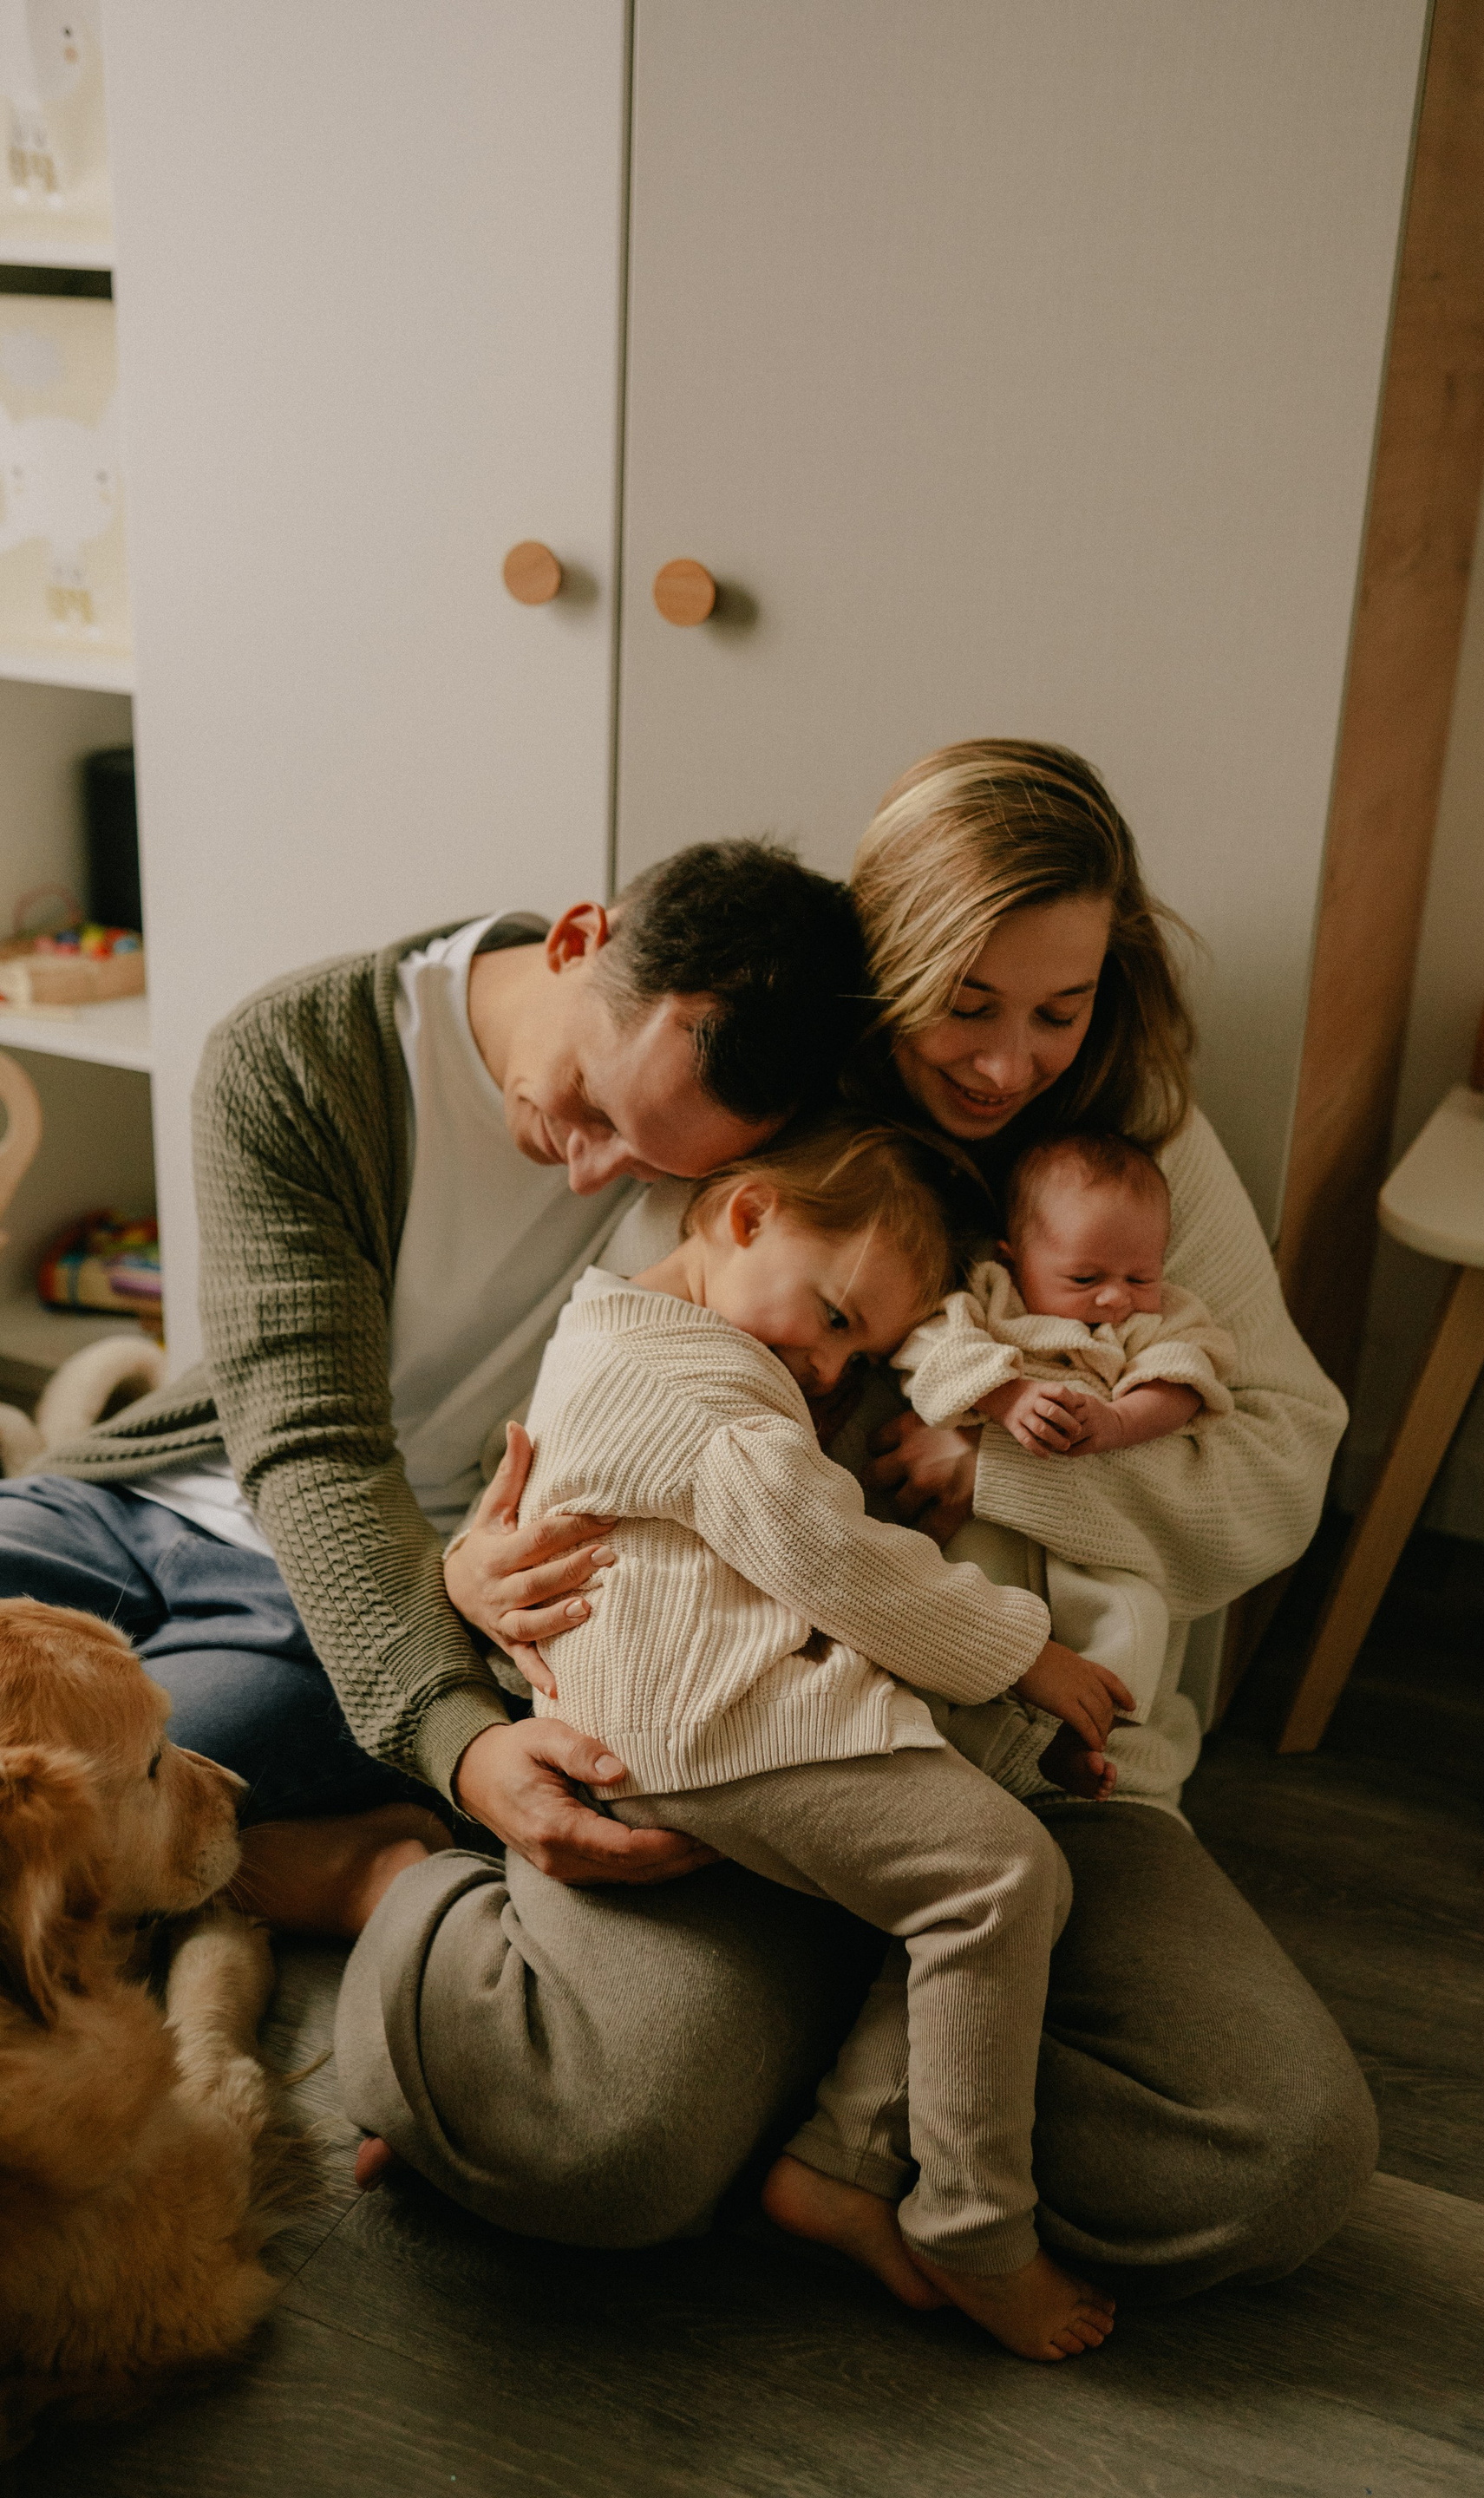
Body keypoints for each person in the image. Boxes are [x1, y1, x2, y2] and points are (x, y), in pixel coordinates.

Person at [337, 737, 1376, 2302]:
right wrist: (475, 1573)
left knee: (1271, 2158)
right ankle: (452, 1915)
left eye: (1061, 1010)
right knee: (598, 2150)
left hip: (1033, 1772)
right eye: (967, 1001)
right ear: (888, 966)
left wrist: (997, 1474)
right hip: (754, 1743)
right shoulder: (762, 1134)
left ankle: (842, 2068)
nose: (1008, 1066)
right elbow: (591, 1414)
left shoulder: (1133, 1169)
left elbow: (1284, 1477)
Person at [3, 843, 867, 1932]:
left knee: (83, 1828)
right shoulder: (297, 1054)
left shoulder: (756, 1172)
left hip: (341, 1591)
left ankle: (304, 1864)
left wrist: (454, 1732)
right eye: (593, 1106)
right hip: (141, 1490)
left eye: (656, 1169)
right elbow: (309, 1441)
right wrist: (464, 1754)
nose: (590, 1172)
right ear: (576, 940)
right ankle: (302, 1872)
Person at [515, 1119, 1121, 2359]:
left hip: (693, 1703)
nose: (831, 1364)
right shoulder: (693, 1390)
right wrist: (1029, 1653)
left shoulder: (624, 1333)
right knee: (999, 1879)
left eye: (860, 1350)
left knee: (1003, 1866)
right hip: (702, 1719)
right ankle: (975, 2226)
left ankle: (844, 2165)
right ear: (748, 1216)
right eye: (835, 1315)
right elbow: (831, 1556)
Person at [889, 1123, 1237, 1735]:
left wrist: (1121, 1420)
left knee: (1137, 1617)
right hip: (983, 1529)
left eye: (1140, 1278)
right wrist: (1006, 1395)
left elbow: (1186, 1378)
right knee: (948, 1617)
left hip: (1090, 1544)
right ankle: (937, 1732)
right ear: (1012, 1259)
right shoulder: (991, 1297)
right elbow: (930, 1347)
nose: (1115, 1299)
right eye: (1084, 1279)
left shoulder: (1154, 1322)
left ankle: (1088, 1736)